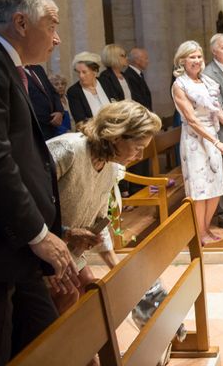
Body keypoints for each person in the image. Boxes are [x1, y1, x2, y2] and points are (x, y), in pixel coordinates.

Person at [0, 0, 79, 364]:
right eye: (53, 25)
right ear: (21, 22)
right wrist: (36, 232)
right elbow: (0, 158)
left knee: (47, 339)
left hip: (21, 243)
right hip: (7, 240)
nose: (58, 38)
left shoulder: (15, 68)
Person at [47, 100, 162, 312]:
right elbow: (26, 202)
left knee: (94, 290)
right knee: (71, 295)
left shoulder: (109, 166)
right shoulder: (69, 149)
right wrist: (66, 233)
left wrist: (117, 268)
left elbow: (99, 221)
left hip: (67, 254)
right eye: (138, 148)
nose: (140, 156)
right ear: (116, 137)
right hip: (40, 250)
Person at [180, 38, 223, 236]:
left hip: (213, 136)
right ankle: (201, 232)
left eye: (198, 56)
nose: (196, 60)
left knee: (216, 186)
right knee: (200, 187)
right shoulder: (180, 84)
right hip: (196, 139)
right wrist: (217, 140)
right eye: (191, 57)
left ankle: (206, 228)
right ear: (182, 61)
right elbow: (192, 120)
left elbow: (218, 109)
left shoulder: (206, 80)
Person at [66, 52, 111, 125]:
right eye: (78, 72)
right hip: (91, 132)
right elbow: (80, 121)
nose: (81, 76)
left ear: (95, 71)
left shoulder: (106, 82)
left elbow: (118, 105)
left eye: (84, 72)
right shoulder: (73, 91)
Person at [25, 63, 65, 140]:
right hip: (35, 127)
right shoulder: (15, 71)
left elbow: (53, 92)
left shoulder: (38, 68)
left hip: (53, 127)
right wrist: (48, 119)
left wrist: (60, 111)